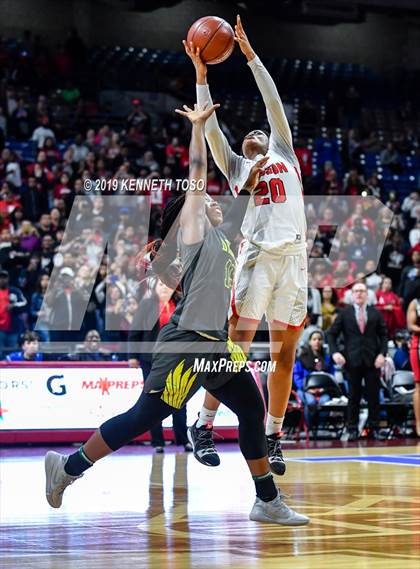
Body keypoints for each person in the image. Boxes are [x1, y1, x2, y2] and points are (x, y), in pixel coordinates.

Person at [44, 102, 309, 526]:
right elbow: (199, 178)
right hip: (186, 344)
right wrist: (200, 129)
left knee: (251, 408)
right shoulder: (193, 234)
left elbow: (248, 198)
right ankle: (68, 468)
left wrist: (256, 174)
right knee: (142, 418)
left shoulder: (223, 237)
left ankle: (266, 500)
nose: (214, 203)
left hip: (215, 347)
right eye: (206, 203)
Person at [185, 15, 307, 475]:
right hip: (256, 258)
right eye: (249, 134)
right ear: (242, 147)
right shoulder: (237, 170)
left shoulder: (285, 151)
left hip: (294, 259)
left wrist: (251, 55)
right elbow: (211, 131)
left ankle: (274, 435)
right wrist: (202, 79)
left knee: (285, 354)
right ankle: (205, 423)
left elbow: (272, 101)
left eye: (262, 131)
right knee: (235, 346)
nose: (257, 132)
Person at [128, 276, 192, 453]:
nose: (164, 288)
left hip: (177, 359)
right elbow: (135, 332)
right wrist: (132, 356)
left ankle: (183, 439)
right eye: (161, 284)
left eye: (168, 285)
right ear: (154, 287)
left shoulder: (180, 304)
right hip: (151, 360)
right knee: (153, 399)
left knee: (179, 399)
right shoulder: (146, 305)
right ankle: (157, 441)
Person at [327, 282, 388, 441]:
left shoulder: (375, 313)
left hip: (372, 360)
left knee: (374, 396)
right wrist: (334, 353)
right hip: (351, 360)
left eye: (362, 291)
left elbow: (384, 335)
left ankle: (375, 427)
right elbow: (331, 334)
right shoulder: (344, 313)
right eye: (356, 291)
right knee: (353, 396)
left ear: (367, 294)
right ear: (352, 294)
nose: (359, 294)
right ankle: (352, 428)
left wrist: (382, 354)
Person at [293, 330, 335, 428]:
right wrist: (307, 388)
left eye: (319, 339)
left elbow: (331, 376)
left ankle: (321, 426)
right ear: (310, 342)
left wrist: (324, 389)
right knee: (311, 402)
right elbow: (296, 376)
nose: (317, 341)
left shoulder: (327, 358)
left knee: (325, 402)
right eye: (314, 339)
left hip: (323, 391)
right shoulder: (302, 358)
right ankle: (310, 427)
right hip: (305, 390)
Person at [406, 299, 420, 437]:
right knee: (419, 385)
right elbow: (411, 326)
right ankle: (419, 424)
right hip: (419, 345)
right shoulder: (416, 303)